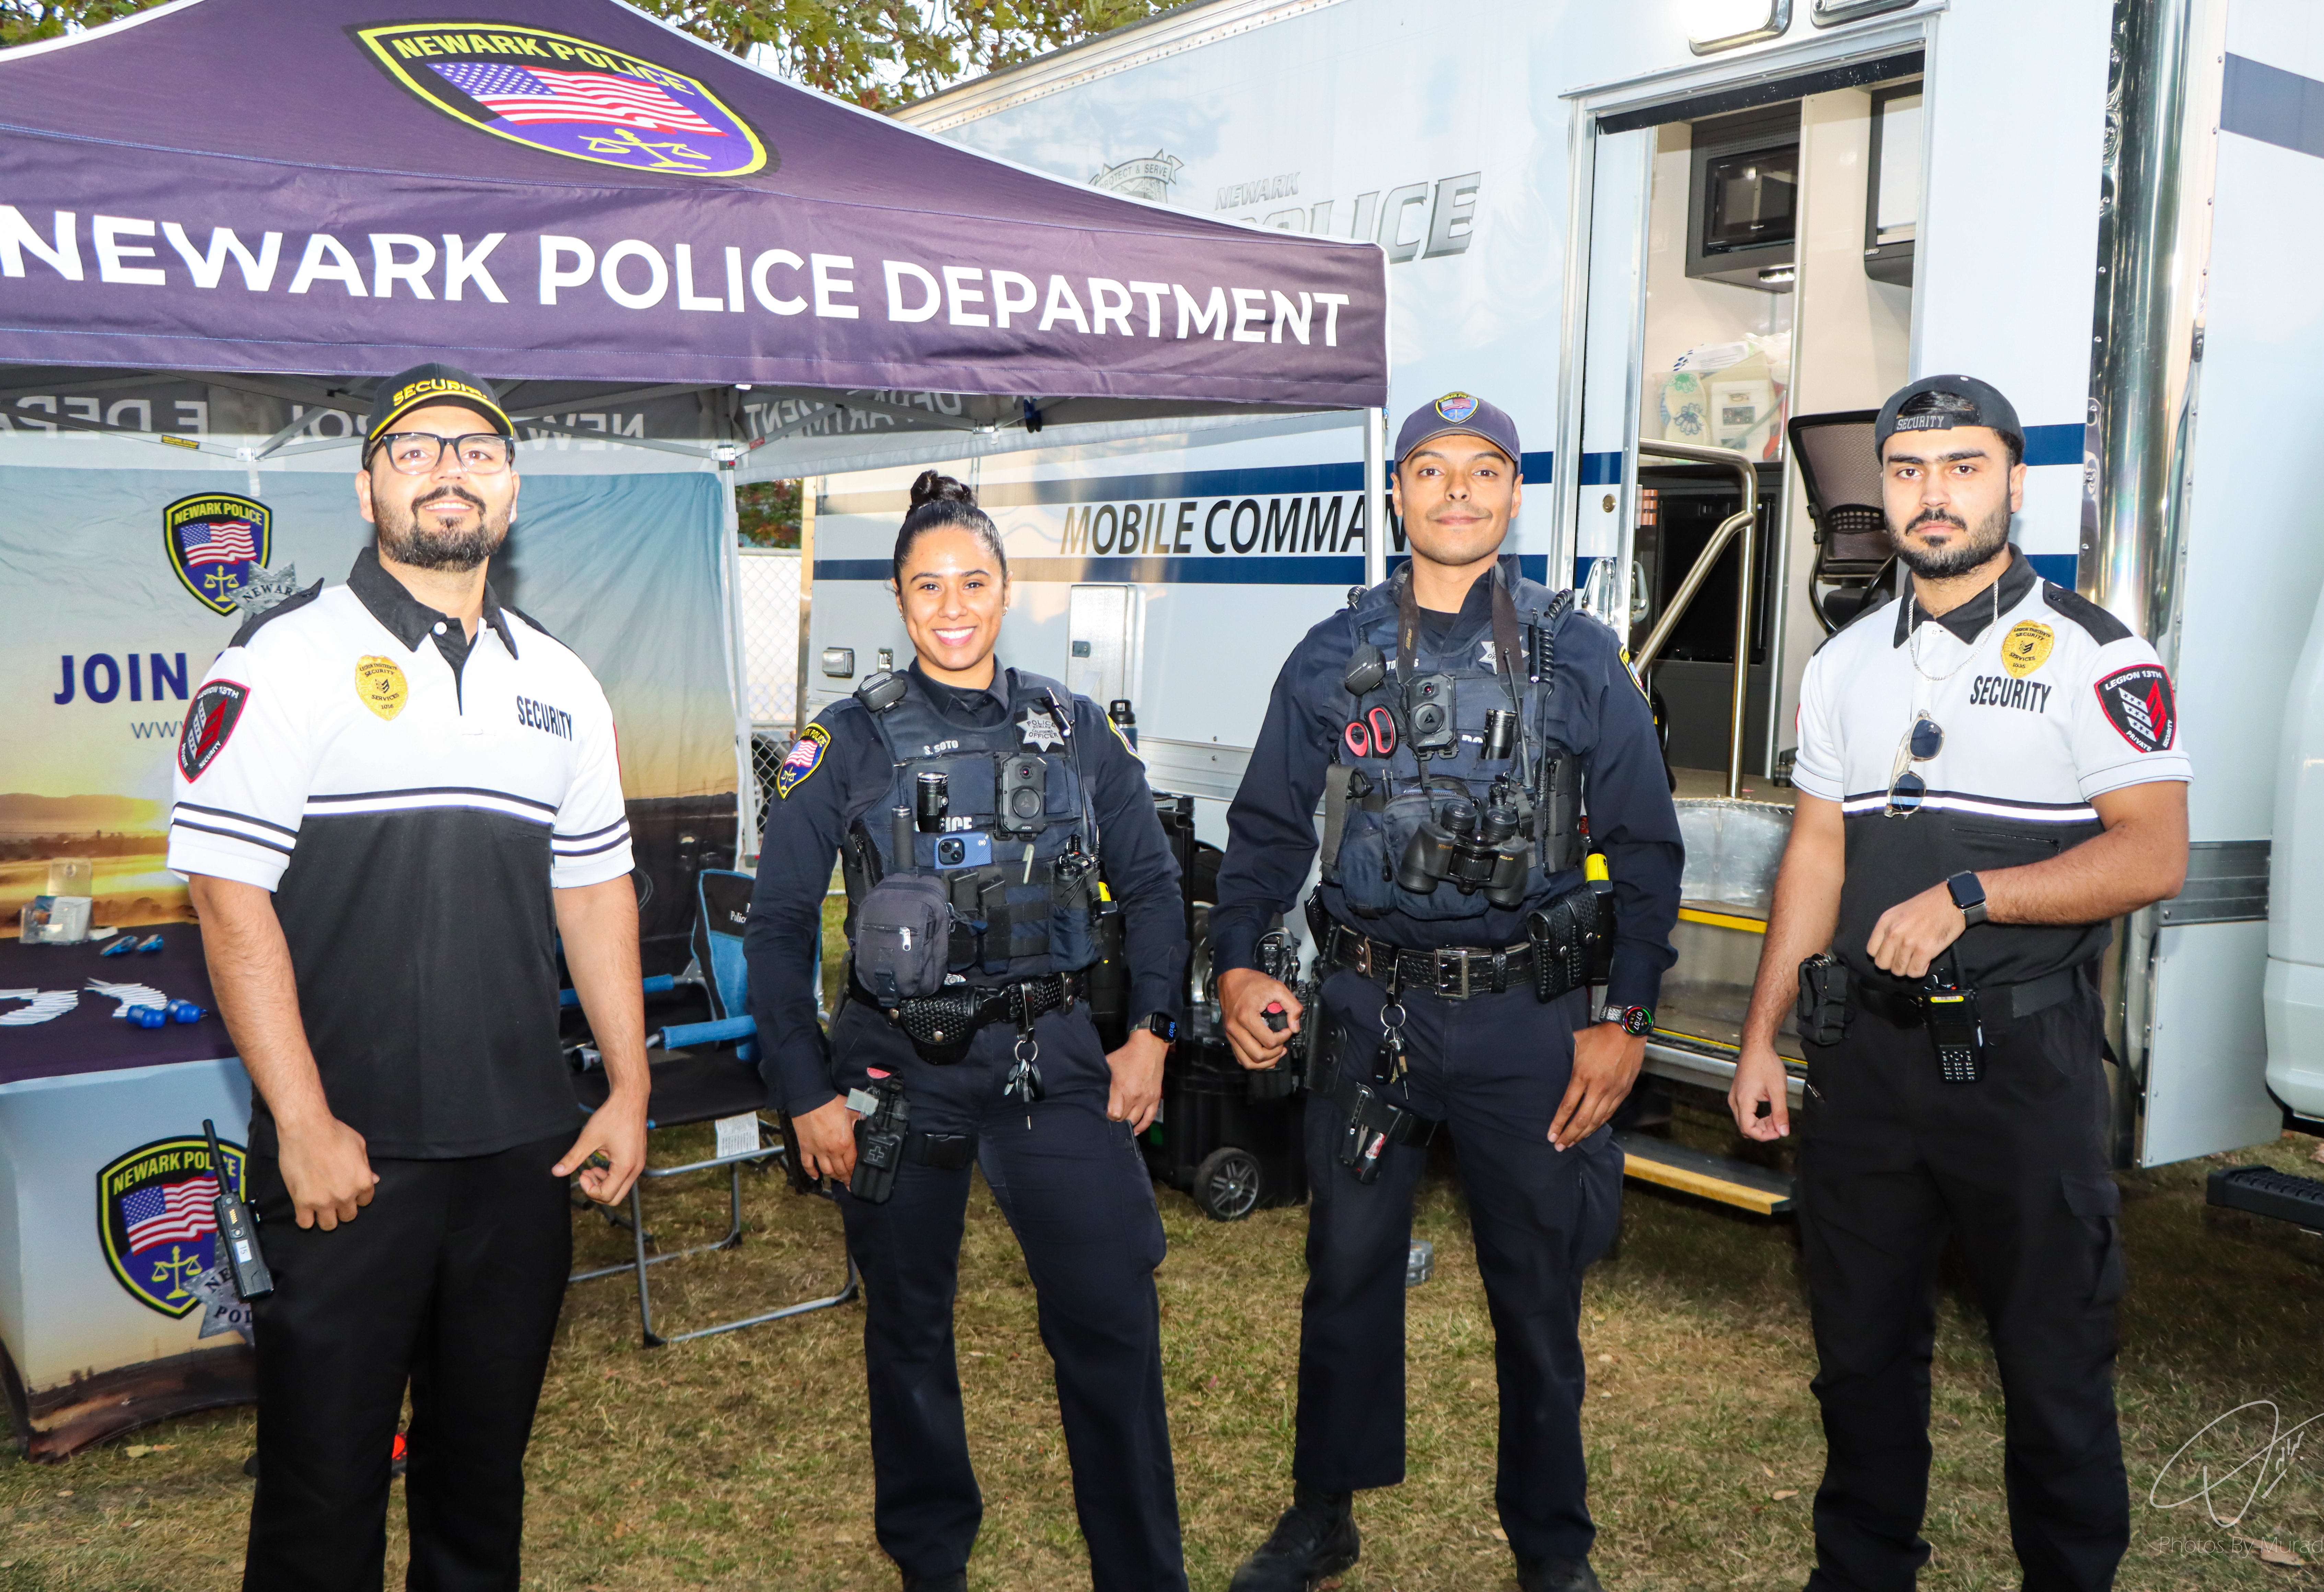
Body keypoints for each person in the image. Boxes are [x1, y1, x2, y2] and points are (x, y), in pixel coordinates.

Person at [170, 362, 650, 1589]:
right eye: (418, 449)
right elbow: (228, 899)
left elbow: (595, 891)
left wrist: (630, 1090)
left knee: (480, 1483)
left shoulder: (561, 681)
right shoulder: (281, 656)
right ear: (368, 484)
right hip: (347, 1161)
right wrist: (303, 1122)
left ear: (513, 491)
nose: (450, 471)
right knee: (321, 1494)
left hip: (522, 1155)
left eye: (478, 453)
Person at [1208, 393, 1684, 1592]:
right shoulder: (1334, 653)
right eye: (1431, 470)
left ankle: (1553, 1547)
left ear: (1514, 494)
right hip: (1372, 1014)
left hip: (1530, 1021)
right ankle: (1324, 1514)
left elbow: (1647, 849)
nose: (1456, 491)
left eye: (1482, 470)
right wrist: (1239, 962)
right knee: (1347, 1270)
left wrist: (1627, 1021)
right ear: (1398, 495)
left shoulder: (1580, 654)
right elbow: (1267, 830)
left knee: (1538, 1289)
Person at [1729, 375, 2191, 1592]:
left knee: (2054, 1363)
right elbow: (1815, 855)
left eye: (1963, 467)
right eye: (1909, 471)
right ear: (1883, 491)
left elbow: (2154, 853)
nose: (1934, 494)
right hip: (1865, 1065)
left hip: (2024, 1068)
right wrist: (1764, 1034)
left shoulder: (2098, 652)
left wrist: (1977, 897)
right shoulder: (1844, 663)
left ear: (2014, 483)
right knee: (1861, 1357)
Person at [745, 473, 1191, 1592]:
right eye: (929, 586)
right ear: (899, 599)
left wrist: (1151, 1032)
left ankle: (1145, 1572)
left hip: (1053, 1061)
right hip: (898, 1070)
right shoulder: (842, 742)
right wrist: (805, 1091)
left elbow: (1153, 885)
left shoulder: (1075, 729)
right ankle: (931, 1564)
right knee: (908, 1331)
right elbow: (781, 925)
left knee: (1112, 1322)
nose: (954, 607)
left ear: (1007, 590)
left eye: (974, 583)